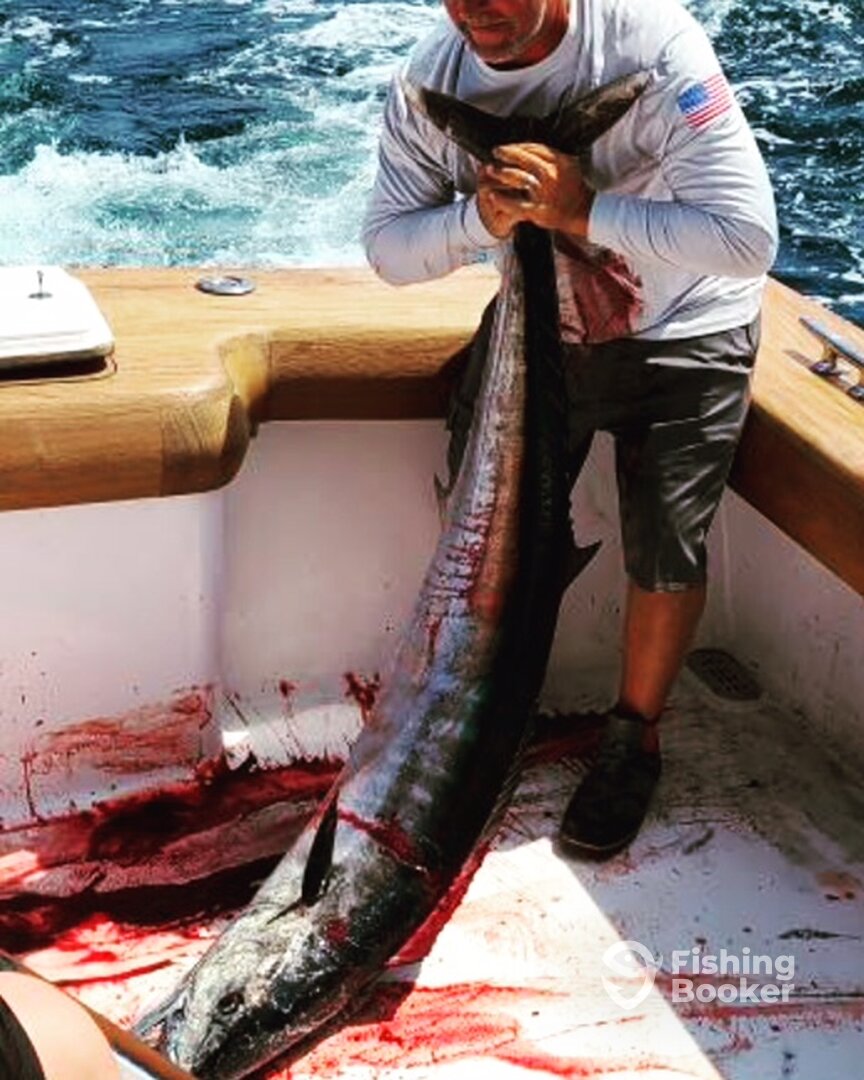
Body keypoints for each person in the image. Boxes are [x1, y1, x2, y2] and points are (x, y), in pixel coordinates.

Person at [362, 0, 777, 858]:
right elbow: (388, 250)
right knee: (486, 545)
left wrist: (581, 210)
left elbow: (747, 239)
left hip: (689, 327)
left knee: (666, 544)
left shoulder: (654, 47)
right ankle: (471, 716)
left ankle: (633, 738)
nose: (475, 8)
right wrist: (483, 220)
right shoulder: (428, 80)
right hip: (544, 333)